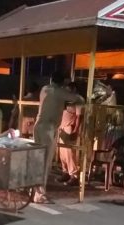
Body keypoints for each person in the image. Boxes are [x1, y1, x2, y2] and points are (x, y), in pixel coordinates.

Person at [34, 72, 84, 203]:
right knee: (45, 163)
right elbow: (79, 99)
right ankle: (40, 195)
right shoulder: (59, 92)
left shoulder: (45, 88)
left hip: (38, 126)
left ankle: (35, 191)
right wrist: (70, 92)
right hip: (49, 129)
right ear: (62, 83)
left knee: (39, 160)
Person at [58, 82, 83, 186]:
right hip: (62, 126)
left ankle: (74, 175)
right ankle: (65, 172)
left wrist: (76, 130)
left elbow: (79, 116)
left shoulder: (78, 99)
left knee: (69, 153)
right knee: (62, 153)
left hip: (69, 127)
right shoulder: (66, 99)